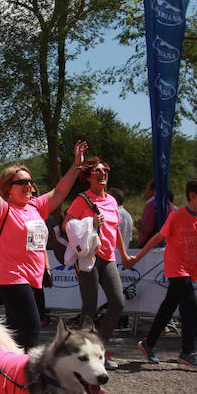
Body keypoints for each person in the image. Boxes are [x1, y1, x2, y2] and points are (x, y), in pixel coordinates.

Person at [0, 142, 83, 350]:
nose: (28, 186)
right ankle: (28, 375)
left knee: (15, 331)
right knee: (32, 327)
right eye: (21, 182)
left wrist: (76, 165)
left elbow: (60, 191)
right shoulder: (4, 210)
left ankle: (6, 371)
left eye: (29, 181)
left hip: (33, 277)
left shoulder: (35, 207)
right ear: (8, 189)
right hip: (11, 276)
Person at [130, 179, 197, 368]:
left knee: (168, 306)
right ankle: (188, 352)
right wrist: (138, 257)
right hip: (176, 267)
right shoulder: (177, 216)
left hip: (192, 269)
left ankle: (148, 343)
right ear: (192, 196)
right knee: (191, 304)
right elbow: (158, 237)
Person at [62, 157, 129, 370]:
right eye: (97, 171)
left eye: (105, 170)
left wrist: (124, 255)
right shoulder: (82, 200)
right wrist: (89, 222)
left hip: (108, 258)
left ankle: (99, 348)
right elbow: (66, 225)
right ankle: (82, 354)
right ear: (88, 177)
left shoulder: (111, 201)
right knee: (89, 307)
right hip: (88, 258)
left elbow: (116, 229)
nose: (102, 174)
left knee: (118, 303)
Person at [136, 179, 175, 248]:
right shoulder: (169, 204)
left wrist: (138, 225)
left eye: (146, 189)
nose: (145, 191)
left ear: (153, 191)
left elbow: (148, 229)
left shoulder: (151, 206)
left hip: (151, 247)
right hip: (165, 244)